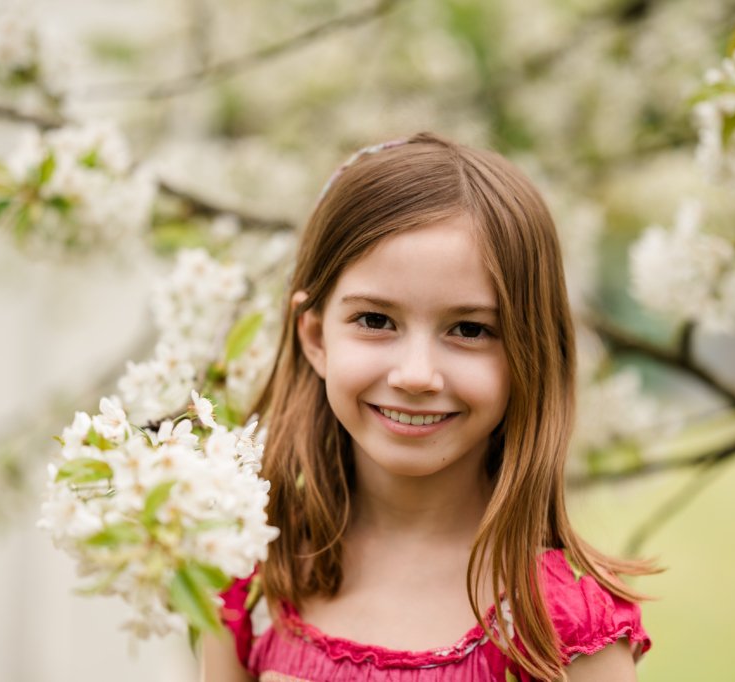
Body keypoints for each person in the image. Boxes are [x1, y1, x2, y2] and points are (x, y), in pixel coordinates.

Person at [203, 132, 655, 681]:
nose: (416, 375)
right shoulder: (252, 564)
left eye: (469, 329)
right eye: (375, 320)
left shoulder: (559, 628)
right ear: (316, 337)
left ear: (530, 355)